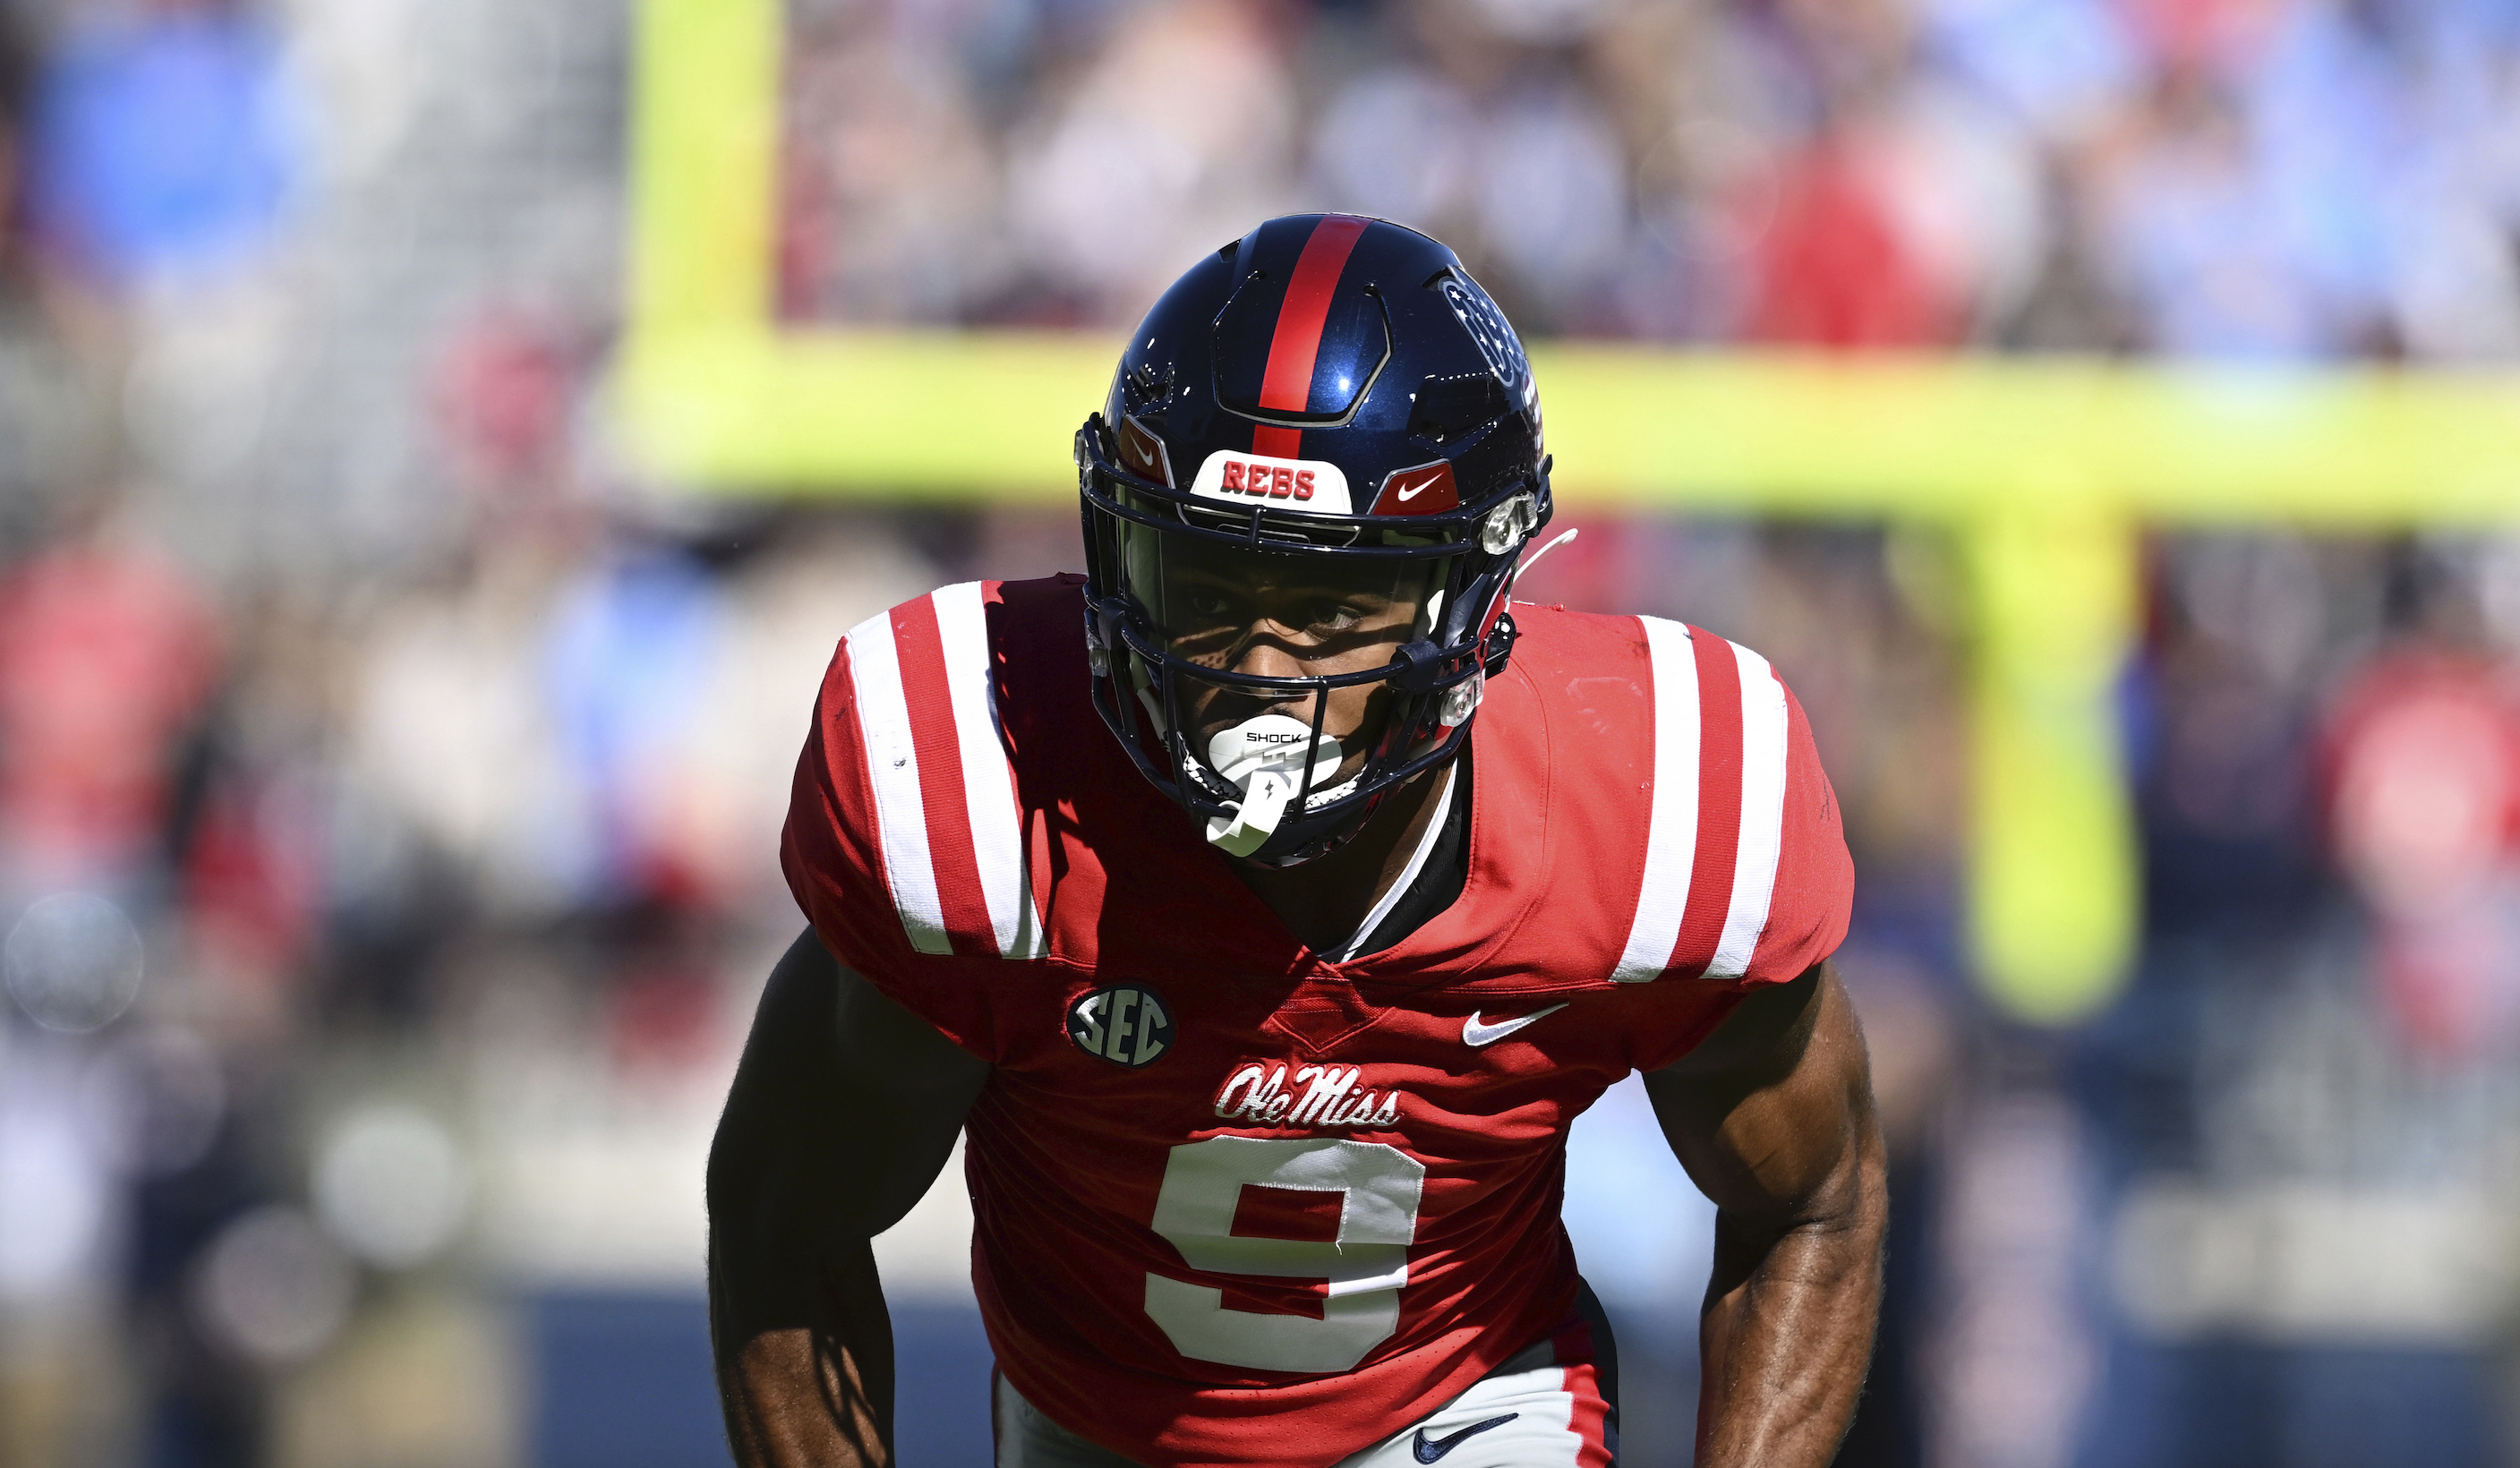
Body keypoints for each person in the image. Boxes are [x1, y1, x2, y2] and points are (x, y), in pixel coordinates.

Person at [709, 215, 1884, 1468]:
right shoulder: (985, 793)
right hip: (1093, 1424)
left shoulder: (1646, 808)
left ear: (1469, 600)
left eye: (1328, 608)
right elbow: (787, 1223)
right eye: (1208, 592)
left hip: (1465, 1406)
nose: (1260, 679)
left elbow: (1814, 1198)